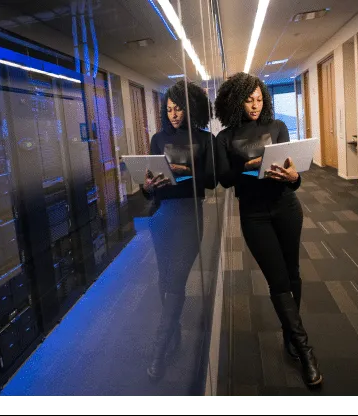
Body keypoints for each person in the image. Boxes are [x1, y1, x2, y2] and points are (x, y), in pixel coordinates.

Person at [214, 72, 323, 387]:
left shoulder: (278, 127)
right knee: (277, 281)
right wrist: (248, 166)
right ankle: (305, 352)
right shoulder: (225, 138)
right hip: (254, 215)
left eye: (260, 99)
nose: (255, 105)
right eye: (249, 100)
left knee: (293, 274)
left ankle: (290, 335)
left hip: (286, 207)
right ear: (236, 101)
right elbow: (224, 178)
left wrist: (292, 177)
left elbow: (294, 174)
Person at [142, 80, 216, 380]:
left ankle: (159, 349)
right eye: (169, 109)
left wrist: (186, 171)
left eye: (179, 108)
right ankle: (174, 335)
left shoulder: (204, 139)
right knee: (164, 279)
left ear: (191, 108)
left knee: (175, 280)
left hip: (189, 215)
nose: (174, 114)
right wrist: (147, 186)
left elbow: (212, 181)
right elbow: (149, 188)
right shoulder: (157, 139)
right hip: (161, 215)